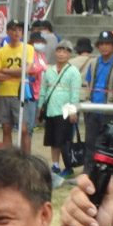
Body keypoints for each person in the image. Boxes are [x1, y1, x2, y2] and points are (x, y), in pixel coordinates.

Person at [84, 31, 113, 169]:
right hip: (93, 110)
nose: (104, 47)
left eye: (107, 44)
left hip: (112, 111)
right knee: (90, 143)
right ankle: (88, 172)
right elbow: (88, 83)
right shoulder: (93, 63)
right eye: (101, 44)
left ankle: (107, 173)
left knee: (109, 145)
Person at [40, 39, 82, 179]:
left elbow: (75, 93)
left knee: (64, 141)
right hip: (51, 110)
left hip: (65, 110)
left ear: (69, 54)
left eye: (64, 51)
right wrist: (40, 106)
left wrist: (73, 111)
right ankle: (56, 165)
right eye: (59, 51)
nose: (61, 54)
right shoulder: (50, 71)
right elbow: (43, 90)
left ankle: (68, 166)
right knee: (53, 141)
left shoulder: (73, 71)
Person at [0, 21, 27, 148]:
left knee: (23, 130)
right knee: (6, 128)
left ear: (22, 33)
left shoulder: (28, 48)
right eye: (13, 29)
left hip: (21, 93)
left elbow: (26, 70)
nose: (16, 32)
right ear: (7, 32)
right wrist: (15, 75)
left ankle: (26, 158)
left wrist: (5, 71)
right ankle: (9, 157)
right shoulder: (1, 51)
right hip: (4, 93)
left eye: (19, 30)